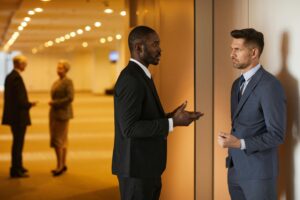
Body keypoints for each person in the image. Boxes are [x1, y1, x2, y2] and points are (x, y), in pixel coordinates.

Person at [112, 25, 203, 200]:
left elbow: (143, 118)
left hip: (145, 166)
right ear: (139, 48)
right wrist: (172, 122)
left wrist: (171, 117)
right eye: (155, 44)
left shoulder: (142, 75)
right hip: (135, 170)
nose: (160, 50)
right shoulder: (131, 79)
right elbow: (129, 128)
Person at [218, 28, 286, 200]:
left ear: (254, 52)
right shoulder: (236, 85)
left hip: (259, 175)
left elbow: (277, 135)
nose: (231, 54)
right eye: (231, 49)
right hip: (235, 172)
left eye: (237, 49)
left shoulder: (270, 85)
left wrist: (240, 143)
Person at [2, 55, 37, 178]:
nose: (25, 66)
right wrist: (30, 104)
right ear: (19, 64)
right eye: (24, 64)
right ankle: (15, 169)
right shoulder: (16, 78)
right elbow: (19, 100)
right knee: (18, 143)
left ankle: (18, 166)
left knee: (18, 142)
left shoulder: (9, 76)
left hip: (13, 116)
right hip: (18, 117)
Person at [49, 60, 74, 176]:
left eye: (61, 68)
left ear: (66, 70)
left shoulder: (68, 82)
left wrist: (55, 103)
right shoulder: (57, 81)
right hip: (54, 113)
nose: (58, 70)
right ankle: (62, 165)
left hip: (62, 114)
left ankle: (59, 166)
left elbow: (70, 98)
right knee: (61, 140)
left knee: (58, 141)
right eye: (57, 68)